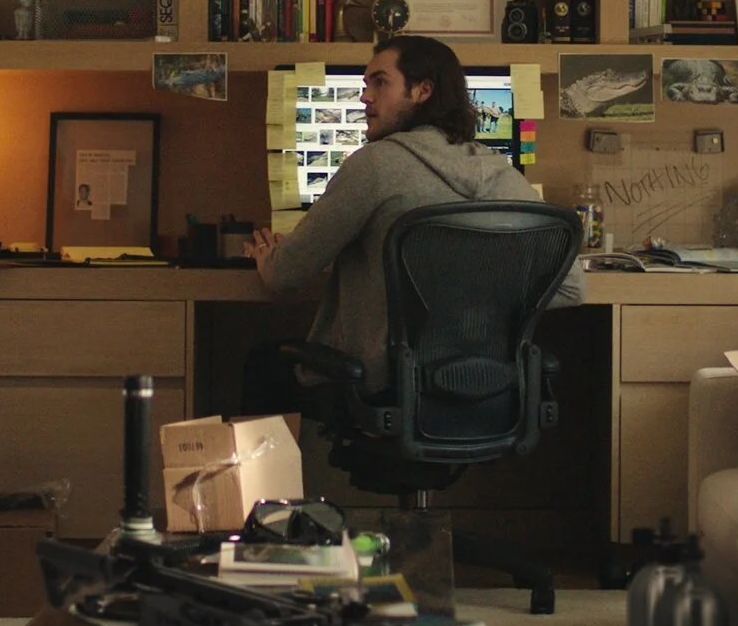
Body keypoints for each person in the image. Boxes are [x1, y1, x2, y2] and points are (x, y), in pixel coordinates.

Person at [240, 35, 583, 416]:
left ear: (422, 91)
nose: (364, 97)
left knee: (264, 364)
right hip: (485, 385)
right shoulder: (501, 173)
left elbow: (286, 275)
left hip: (385, 387)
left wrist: (268, 256)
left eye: (380, 83)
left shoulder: (374, 165)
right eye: (365, 85)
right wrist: (476, 297)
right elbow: (571, 288)